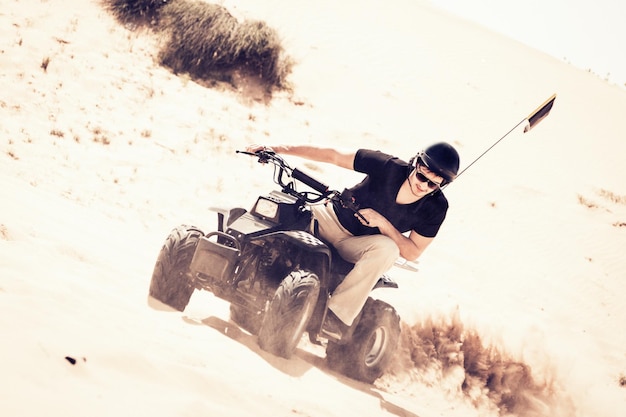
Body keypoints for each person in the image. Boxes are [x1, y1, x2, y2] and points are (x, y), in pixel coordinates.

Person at [245, 142, 460, 340]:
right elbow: (334, 156)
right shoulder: (387, 166)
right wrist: (277, 149)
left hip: (357, 245)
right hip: (329, 218)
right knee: (283, 206)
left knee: (389, 250)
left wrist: (383, 223)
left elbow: (413, 252)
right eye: (422, 178)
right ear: (416, 164)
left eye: (433, 185)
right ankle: (247, 267)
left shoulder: (436, 208)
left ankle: (335, 316)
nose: (424, 187)